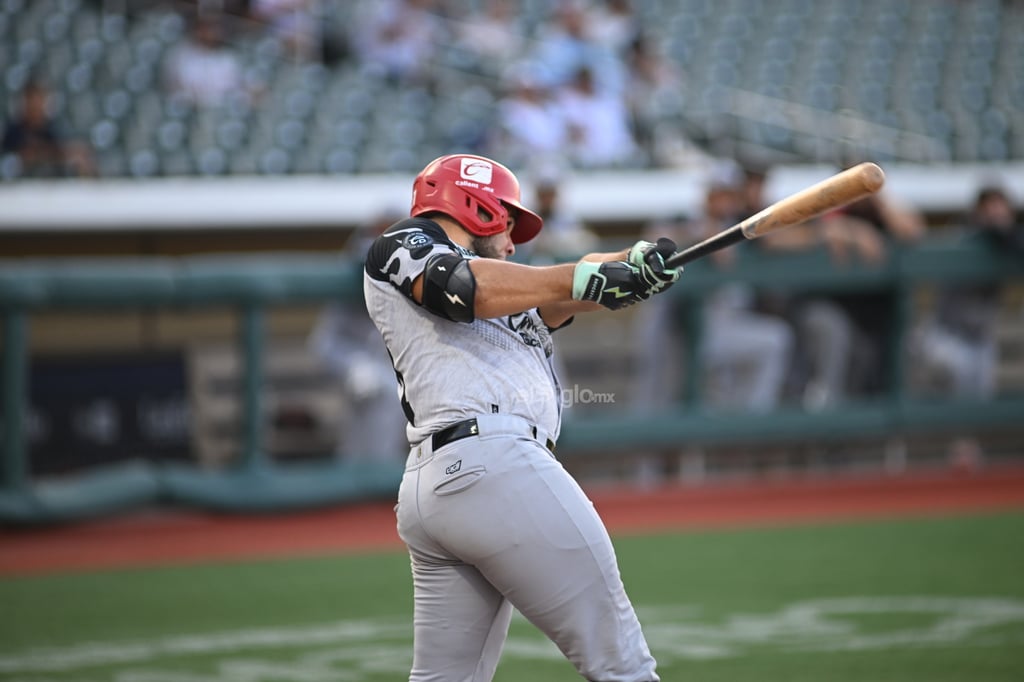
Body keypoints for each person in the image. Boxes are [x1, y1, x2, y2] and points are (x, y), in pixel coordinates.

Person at [363, 153, 678, 681]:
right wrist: (583, 276)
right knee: (623, 665)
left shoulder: (507, 290)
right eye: (507, 222)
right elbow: (468, 287)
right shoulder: (405, 242)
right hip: (492, 463)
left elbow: (559, 297)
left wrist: (635, 262)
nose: (513, 240)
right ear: (475, 206)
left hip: (450, 481)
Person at [309, 209, 408, 466]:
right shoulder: (354, 277)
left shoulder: (418, 273)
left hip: (413, 386)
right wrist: (353, 365)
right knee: (377, 396)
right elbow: (323, 343)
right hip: (368, 386)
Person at [911, 184, 1023, 399]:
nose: (997, 217)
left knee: (979, 405)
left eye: (1002, 210)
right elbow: (979, 231)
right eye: (990, 210)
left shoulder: (1009, 239)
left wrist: (1005, 232)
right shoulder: (965, 233)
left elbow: (1011, 238)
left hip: (981, 339)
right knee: (953, 388)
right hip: (947, 336)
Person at [1, 79, 96, 179]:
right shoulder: (14, 130)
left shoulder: (53, 128)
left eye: (39, 99)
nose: (35, 105)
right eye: (31, 99)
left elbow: (63, 150)